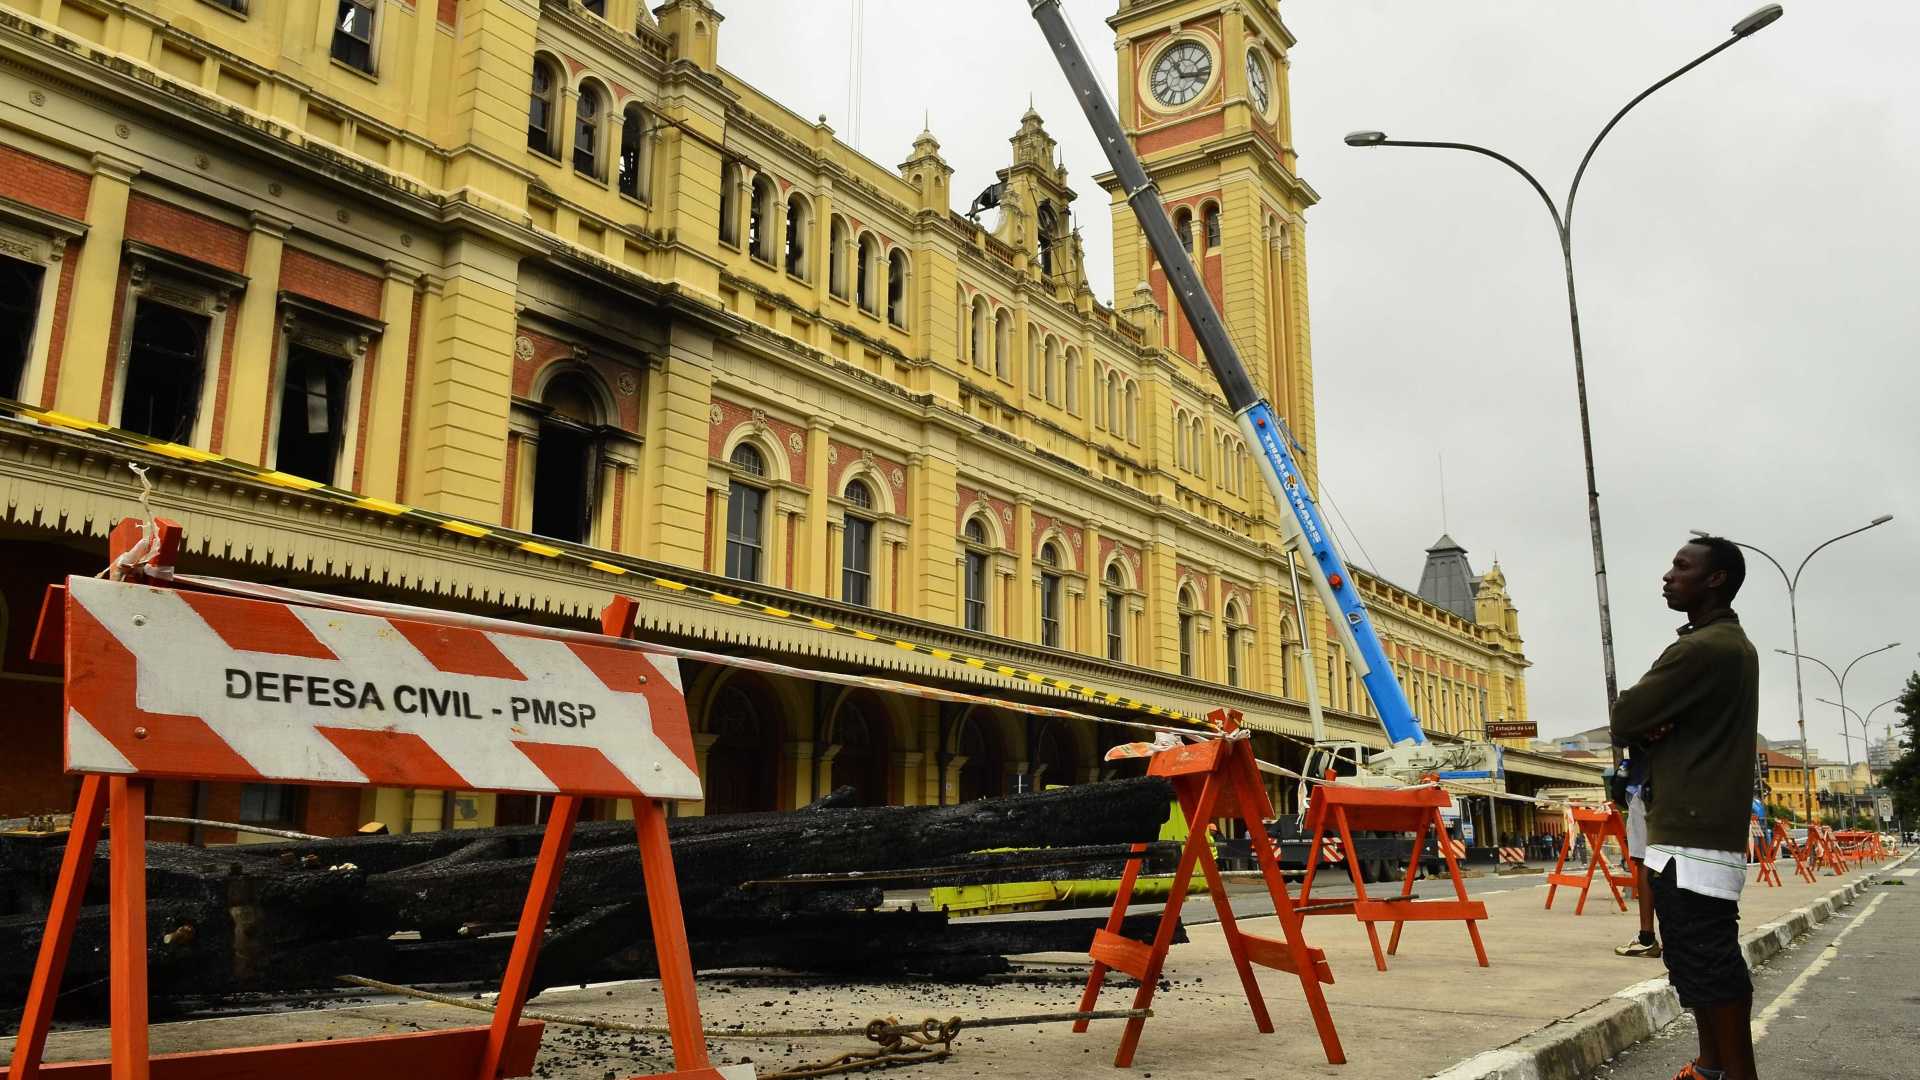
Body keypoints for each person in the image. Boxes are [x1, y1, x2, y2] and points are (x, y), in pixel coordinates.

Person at [1611, 537, 1760, 1080]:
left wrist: (1648, 724)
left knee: (1709, 963)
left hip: (1691, 836)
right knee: (1699, 963)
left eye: (1682, 566)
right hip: (1702, 832)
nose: (1668, 576)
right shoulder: (1726, 644)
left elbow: (1626, 715)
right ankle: (1710, 1066)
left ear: (1715, 579)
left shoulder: (1701, 650)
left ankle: (1734, 1073)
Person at [1613, 747, 1660, 958]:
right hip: (1684, 785)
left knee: (1645, 861)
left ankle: (1647, 937)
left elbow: (1621, 731)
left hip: (1645, 785)